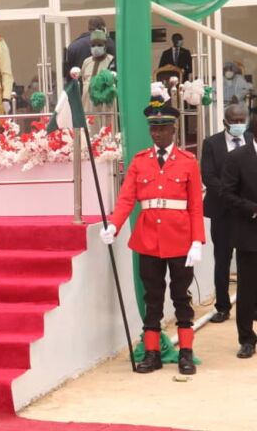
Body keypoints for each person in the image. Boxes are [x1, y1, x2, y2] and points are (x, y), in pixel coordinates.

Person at [99, 93, 204, 375]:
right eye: (153, 129)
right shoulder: (140, 160)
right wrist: (114, 225)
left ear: (174, 130)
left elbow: (195, 205)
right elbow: (126, 199)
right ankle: (152, 353)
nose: (157, 133)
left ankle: (185, 352)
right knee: (153, 297)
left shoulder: (188, 161)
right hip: (147, 239)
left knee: (181, 296)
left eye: (163, 128)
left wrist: (197, 240)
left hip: (180, 239)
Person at [201, 104, 253, 323]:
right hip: (222, 211)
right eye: (235, 121)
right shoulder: (211, 143)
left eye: (243, 120)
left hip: (248, 214)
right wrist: (230, 196)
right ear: (225, 122)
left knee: (250, 262)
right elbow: (208, 176)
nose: (239, 124)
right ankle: (222, 306)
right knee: (222, 260)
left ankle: (252, 305)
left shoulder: (252, 140)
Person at [221, 112, 257, 359]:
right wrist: (253, 209)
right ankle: (246, 339)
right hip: (249, 234)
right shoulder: (237, 158)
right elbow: (226, 193)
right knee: (247, 290)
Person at [80, 29, 117, 129]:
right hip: (88, 106)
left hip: (105, 107)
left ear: (105, 45)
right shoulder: (86, 62)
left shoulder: (111, 61)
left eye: (99, 44)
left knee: (104, 132)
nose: (96, 47)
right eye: (93, 45)